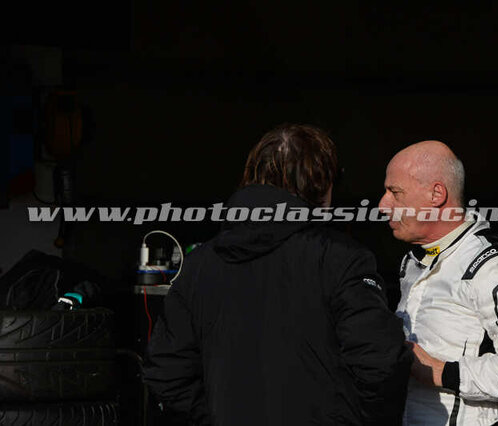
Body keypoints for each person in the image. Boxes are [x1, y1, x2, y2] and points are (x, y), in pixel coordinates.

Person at [143, 124, 412, 426]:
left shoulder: (198, 265)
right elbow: (381, 365)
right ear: (321, 183)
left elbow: (167, 373)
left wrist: (219, 416)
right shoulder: (342, 258)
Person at [378, 141, 498, 426]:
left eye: (395, 193)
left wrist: (441, 372)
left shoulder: (493, 264)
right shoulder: (413, 260)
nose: (382, 205)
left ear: (436, 194)